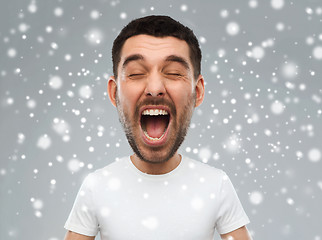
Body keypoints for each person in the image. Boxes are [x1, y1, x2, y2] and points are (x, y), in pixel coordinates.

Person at [64, 15, 252, 240]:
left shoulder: (216, 184)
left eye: (173, 73)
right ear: (115, 93)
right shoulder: (97, 186)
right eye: (135, 73)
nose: (154, 88)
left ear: (198, 92)